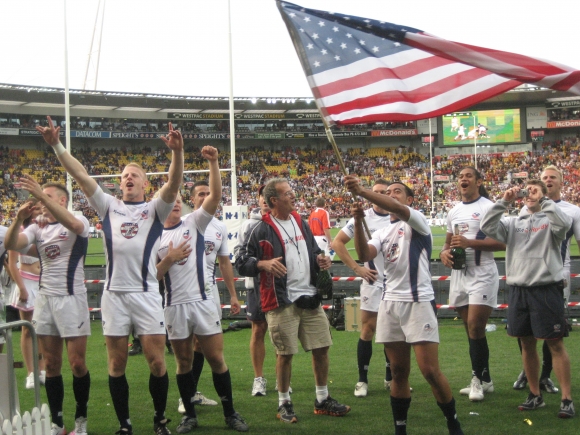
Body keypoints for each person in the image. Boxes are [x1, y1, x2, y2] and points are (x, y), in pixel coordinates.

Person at [35, 115, 183, 435]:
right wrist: (56, 145)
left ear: (145, 184)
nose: (128, 177)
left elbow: (173, 184)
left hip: (146, 294)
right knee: (116, 365)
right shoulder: (107, 205)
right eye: (124, 175)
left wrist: (177, 153)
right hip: (114, 295)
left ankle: (159, 420)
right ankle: (125, 425)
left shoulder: (155, 209)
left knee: (157, 363)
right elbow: (80, 173)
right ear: (120, 183)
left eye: (135, 175)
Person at [346, 177, 464, 435]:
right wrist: (356, 221)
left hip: (418, 302)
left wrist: (363, 192)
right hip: (389, 304)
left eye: (397, 191)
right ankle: (400, 429)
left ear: (409, 200)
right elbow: (364, 255)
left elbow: (397, 209)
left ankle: (453, 423)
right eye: (388, 192)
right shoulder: (380, 231)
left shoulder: (417, 221)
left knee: (430, 371)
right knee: (398, 372)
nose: (392, 195)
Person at [236, 178, 351, 424]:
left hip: (309, 296)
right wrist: (262, 263)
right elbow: (240, 262)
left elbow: (311, 251)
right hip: (281, 300)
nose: (293, 196)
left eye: (292, 192)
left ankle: (322, 398)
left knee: (321, 347)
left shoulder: (301, 221)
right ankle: (284, 403)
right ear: (274, 200)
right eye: (288, 193)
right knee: (285, 353)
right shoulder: (260, 228)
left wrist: (320, 260)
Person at [156, 147, 248, 433]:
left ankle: (230, 413)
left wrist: (214, 162)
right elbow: (151, 276)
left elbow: (216, 196)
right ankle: (190, 415)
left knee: (216, 359)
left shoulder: (194, 222)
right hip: (173, 305)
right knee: (183, 362)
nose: (173, 204)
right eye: (167, 199)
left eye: (176, 200)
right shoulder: (153, 236)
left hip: (204, 300)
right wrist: (169, 260)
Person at [5, 176, 91, 435]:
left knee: (77, 364)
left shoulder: (78, 221)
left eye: (48, 197)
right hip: (45, 300)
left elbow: (74, 224)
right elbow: (11, 244)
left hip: (72, 298)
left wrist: (41, 197)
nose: (42, 203)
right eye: (41, 198)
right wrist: (19, 218)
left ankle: (81, 419)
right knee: (51, 364)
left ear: (62, 200)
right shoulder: (37, 229)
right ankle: (58, 422)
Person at [481, 180, 574, 418]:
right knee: (526, 343)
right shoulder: (513, 223)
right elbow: (486, 225)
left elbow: (564, 224)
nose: (529, 194)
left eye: (535, 191)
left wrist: (543, 201)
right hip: (519, 289)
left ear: (544, 195)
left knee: (555, 343)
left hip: (545, 289)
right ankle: (535, 394)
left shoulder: (552, 221)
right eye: (527, 191)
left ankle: (566, 399)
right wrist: (504, 201)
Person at [512, 165, 580, 395]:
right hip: (528, 277)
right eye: (544, 178)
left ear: (561, 182)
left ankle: (546, 375)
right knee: (526, 332)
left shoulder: (572, 211)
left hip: (557, 275)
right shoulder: (525, 208)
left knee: (552, 332)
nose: (548, 180)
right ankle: (529, 371)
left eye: (553, 177)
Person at [440, 167, 505, 402]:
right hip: (459, 275)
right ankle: (485, 379)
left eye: (468, 176)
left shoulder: (489, 207)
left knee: (476, 327)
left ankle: (477, 380)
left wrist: (470, 243)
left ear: (479, 181)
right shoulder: (454, 211)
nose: (463, 179)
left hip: (482, 273)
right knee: (470, 329)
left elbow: (503, 243)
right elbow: (447, 244)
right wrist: (444, 254)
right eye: (460, 177)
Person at [181, 179, 242, 409]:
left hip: (209, 292)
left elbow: (224, 263)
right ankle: (186, 396)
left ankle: (192, 393)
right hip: (185, 293)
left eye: (209, 193)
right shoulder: (183, 222)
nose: (206, 197)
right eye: (200, 194)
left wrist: (233, 295)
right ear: (193, 199)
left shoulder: (219, 227)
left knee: (204, 347)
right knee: (188, 346)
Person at [331, 179, 393, 397]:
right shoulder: (363, 216)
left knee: (393, 332)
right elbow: (337, 243)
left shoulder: (399, 214)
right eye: (375, 192)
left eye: (384, 192)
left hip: (396, 282)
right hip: (373, 281)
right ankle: (362, 380)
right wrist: (357, 269)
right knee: (368, 329)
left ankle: (390, 378)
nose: (379, 196)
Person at [233, 185, 271, 396]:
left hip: (281, 284)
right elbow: (240, 254)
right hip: (257, 284)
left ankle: (283, 377)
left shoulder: (285, 222)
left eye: (270, 195)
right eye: (262, 195)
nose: (266, 199)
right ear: (257, 199)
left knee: (280, 332)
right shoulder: (248, 225)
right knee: (258, 329)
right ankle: (259, 378)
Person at [7, 198, 47, 389]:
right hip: (27, 282)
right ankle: (31, 372)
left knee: (44, 329)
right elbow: (12, 263)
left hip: (44, 283)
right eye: (35, 208)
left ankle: (43, 368)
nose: (39, 211)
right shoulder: (22, 233)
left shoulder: (47, 231)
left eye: (41, 208)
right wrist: (21, 287)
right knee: (27, 329)